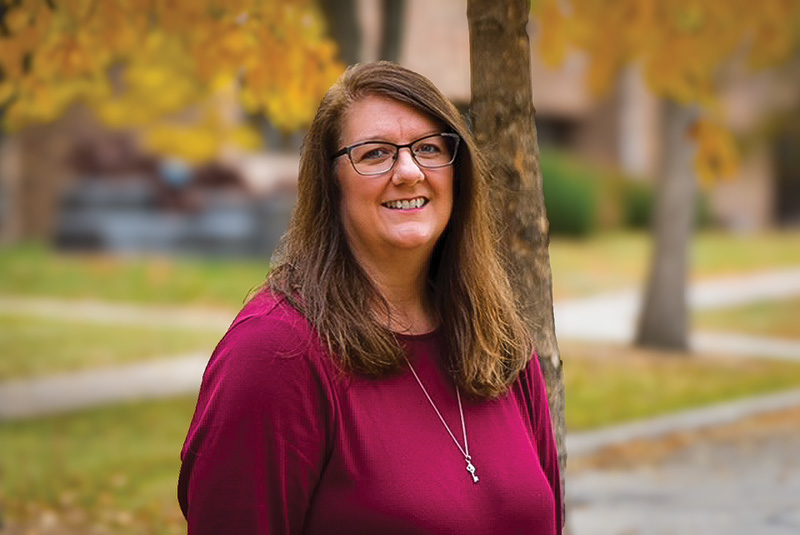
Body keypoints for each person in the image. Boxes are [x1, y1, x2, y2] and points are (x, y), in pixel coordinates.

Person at [178, 61, 563, 534]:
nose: (409, 172)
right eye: (376, 153)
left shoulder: (498, 342)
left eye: (428, 148)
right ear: (331, 181)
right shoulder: (276, 353)